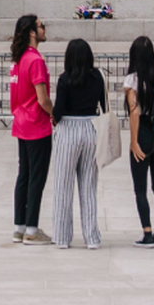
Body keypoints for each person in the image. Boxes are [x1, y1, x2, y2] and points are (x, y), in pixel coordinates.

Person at [47, 36, 106, 249]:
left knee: (63, 185)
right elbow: (104, 105)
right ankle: (92, 238)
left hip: (69, 129)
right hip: (90, 128)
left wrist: (54, 117)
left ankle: (62, 237)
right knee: (88, 186)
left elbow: (59, 110)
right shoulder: (97, 76)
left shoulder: (65, 79)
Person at [8, 13, 52, 242]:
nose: (45, 29)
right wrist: (55, 115)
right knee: (37, 177)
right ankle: (32, 230)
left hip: (21, 123)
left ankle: (20, 227)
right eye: (41, 26)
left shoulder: (19, 59)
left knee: (23, 175)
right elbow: (42, 98)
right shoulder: (35, 60)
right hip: (37, 124)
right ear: (32, 32)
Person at [124, 34, 154, 246]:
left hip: (143, 132)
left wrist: (134, 142)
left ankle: (147, 232)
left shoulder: (132, 80)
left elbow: (134, 112)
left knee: (140, 188)